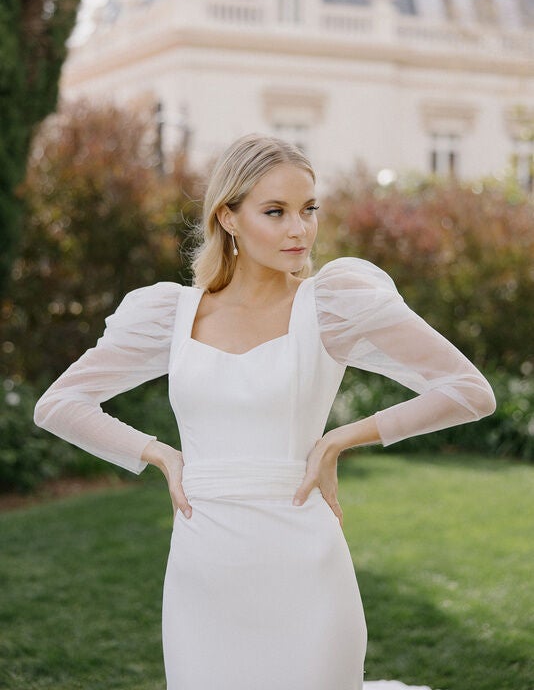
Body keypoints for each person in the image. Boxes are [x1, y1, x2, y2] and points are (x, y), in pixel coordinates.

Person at [34, 132, 496, 690]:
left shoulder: (331, 304)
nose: (299, 230)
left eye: (308, 210)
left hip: (304, 558)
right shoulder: (170, 315)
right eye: (275, 212)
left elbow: (469, 390)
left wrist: (339, 439)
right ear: (228, 217)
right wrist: (159, 455)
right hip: (204, 567)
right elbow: (59, 404)